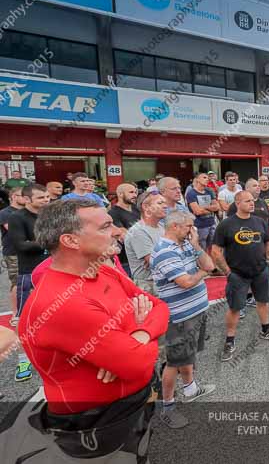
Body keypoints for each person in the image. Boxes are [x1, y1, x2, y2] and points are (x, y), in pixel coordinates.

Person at [16, 199, 167, 460]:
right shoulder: (61, 301)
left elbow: (160, 307)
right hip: (95, 419)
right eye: (105, 226)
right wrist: (136, 333)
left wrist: (138, 334)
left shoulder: (103, 271)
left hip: (133, 401)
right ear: (71, 241)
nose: (117, 231)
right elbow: (137, 363)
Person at [150, 210, 216, 427]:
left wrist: (196, 246)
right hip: (179, 317)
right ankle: (167, 406)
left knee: (188, 356)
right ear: (175, 226)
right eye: (189, 226)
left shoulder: (187, 243)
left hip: (196, 310)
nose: (193, 230)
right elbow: (186, 281)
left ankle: (191, 388)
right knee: (174, 363)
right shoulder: (164, 251)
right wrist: (202, 275)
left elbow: (209, 265)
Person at [213, 191, 269, 361]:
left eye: (252, 200)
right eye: (247, 201)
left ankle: (266, 329)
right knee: (235, 307)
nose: (252, 203)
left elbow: (268, 241)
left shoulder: (259, 221)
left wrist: (268, 260)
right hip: (237, 273)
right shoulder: (226, 224)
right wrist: (228, 272)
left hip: (260, 271)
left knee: (263, 302)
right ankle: (230, 340)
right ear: (237, 203)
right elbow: (216, 251)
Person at [7, 184, 50, 381]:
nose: (46, 200)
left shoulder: (48, 214)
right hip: (29, 273)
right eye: (41, 198)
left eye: (47, 197)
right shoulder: (17, 217)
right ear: (27, 199)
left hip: (54, 271)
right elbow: (20, 245)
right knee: (25, 318)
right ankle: (23, 360)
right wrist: (51, 241)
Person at [125, 193, 167, 294]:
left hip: (163, 282)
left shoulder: (162, 227)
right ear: (146, 207)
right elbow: (155, 262)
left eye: (164, 202)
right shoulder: (138, 231)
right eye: (160, 203)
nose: (165, 206)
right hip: (149, 286)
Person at [0, 187, 26, 325]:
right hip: (13, 252)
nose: (25, 198)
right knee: (17, 283)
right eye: (22, 195)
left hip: (29, 251)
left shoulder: (28, 212)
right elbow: (14, 230)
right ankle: (15, 314)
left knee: (32, 281)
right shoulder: (5, 213)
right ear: (13, 197)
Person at [108, 183, 141, 277]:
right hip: (126, 261)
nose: (135, 195)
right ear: (120, 194)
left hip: (141, 257)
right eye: (131, 192)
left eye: (135, 192)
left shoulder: (136, 209)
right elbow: (124, 236)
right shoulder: (113, 213)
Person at [185, 173, 220, 250]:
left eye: (207, 178)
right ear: (197, 180)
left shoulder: (209, 191)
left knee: (213, 248)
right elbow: (197, 212)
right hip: (200, 226)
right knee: (202, 249)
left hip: (212, 223)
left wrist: (204, 207)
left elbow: (217, 207)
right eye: (204, 177)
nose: (207, 179)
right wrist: (211, 209)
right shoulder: (191, 193)